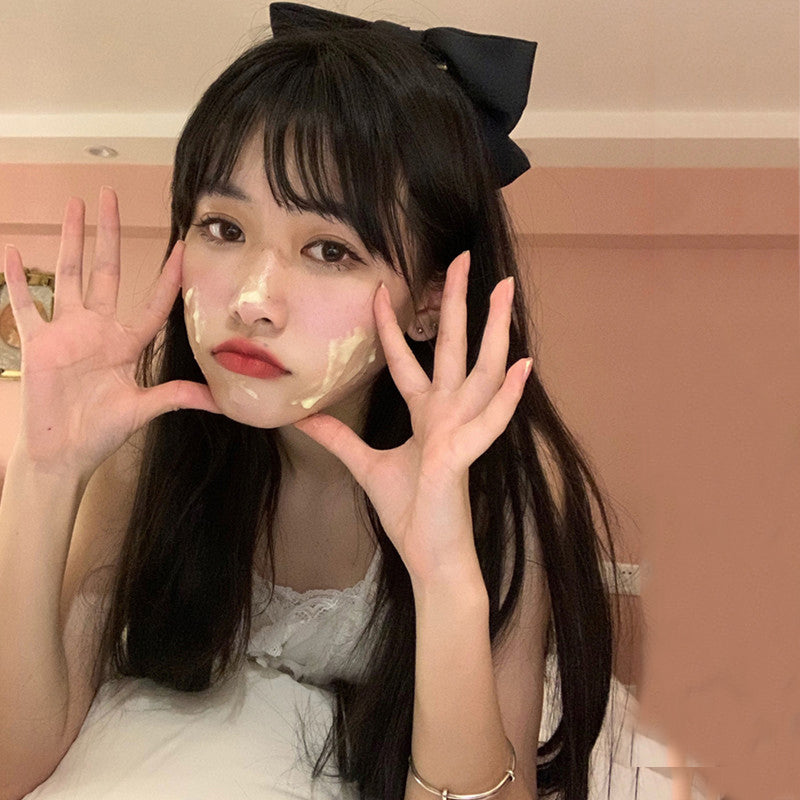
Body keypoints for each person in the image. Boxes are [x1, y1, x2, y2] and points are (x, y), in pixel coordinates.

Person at [0, 4, 627, 799]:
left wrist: (444, 578)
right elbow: (14, 764)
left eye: (329, 250)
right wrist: (43, 474)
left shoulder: (492, 475)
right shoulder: (149, 446)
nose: (253, 300)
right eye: (224, 228)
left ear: (429, 301)